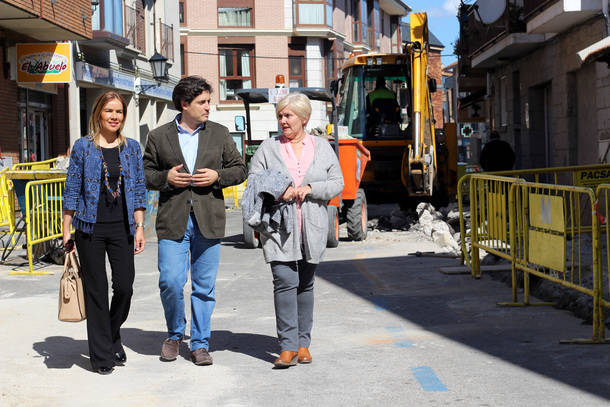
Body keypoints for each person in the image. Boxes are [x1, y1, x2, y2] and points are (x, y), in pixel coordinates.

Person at [143, 76, 247, 366]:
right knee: (171, 282)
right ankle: (174, 334)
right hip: (173, 220)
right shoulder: (158, 136)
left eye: (208, 101)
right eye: (202, 102)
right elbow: (145, 173)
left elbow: (240, 169)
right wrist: (166, 178)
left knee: (204, 287)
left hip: (208, 220)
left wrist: (218, 177)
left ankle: (200, 343)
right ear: (184, 104)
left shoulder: (219, 133)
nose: (208, 107)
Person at [248, 93, 344, 368]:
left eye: (288, 115)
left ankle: (304, 344)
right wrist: (281, 190)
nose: (283, 121)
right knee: (284, 280)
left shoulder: (322, 147)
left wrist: (312, 189)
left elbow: (338, 181)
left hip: (312, 225)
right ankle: (287, 346)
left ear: (304, 118)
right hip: (278, 226)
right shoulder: (268, 147)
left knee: (305, 284)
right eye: (280, 116)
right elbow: (254, 180)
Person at [62, 91, 147, 375]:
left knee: (125, 286)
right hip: (89, 228)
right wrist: (66, 230)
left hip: (122, 227)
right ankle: (101, 356)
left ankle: (110, 335)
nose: (114, 117)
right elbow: (72, 189)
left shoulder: (132, 147)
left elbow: (137, 190)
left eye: (119, 112)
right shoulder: (83, 147)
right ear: (98, 113)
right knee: (96, 291)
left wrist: (139, 226)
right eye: (109, 111)